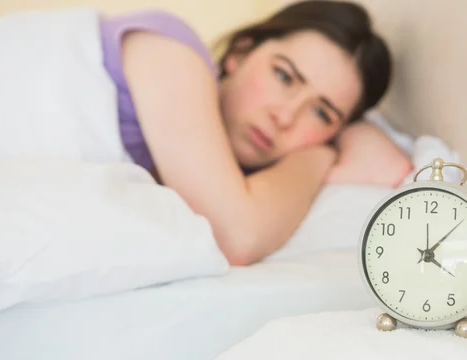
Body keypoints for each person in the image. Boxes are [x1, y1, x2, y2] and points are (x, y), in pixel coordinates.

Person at [104, 0, 412, 264]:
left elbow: (386, 166)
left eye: (321, 113)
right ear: (240, 52)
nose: (285, 116)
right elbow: (238, 236)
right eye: (284, 76)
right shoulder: (171, 50)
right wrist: (320, 156)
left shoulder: (241, 181)